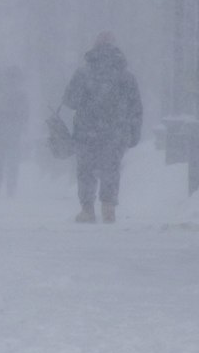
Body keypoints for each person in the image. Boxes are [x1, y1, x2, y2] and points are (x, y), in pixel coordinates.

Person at [60, 35, 143, 223]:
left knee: (85, 170)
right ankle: (109, 207)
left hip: (86, 131)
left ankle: (87, 210)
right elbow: (135, 107)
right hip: (116, 132)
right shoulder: (126, 76)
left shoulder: (83, 73)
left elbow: (70, 101)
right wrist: (134, 132)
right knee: (111, 169)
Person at [0, 66, 31, 198]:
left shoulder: (1, 94)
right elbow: (25, 115)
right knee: (10, 163)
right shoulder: (20, 94)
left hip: (2, 132)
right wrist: (22, 127)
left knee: (0, 161)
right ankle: (9, 189)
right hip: (11, 133)